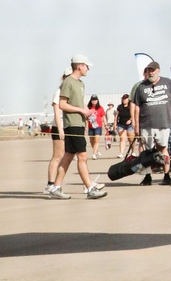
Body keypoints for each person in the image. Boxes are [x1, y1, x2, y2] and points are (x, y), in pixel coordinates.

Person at [48, 55, 106, 199]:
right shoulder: (68, 82)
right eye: (87, 66)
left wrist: (87, 112)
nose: (88, 68)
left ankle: (56, 186)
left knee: (68, 156)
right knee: (83, 156)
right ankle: (90, 188)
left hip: (79, 123)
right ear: (79, 66)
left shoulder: (80, 84)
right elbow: (62, 104)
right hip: (72, 124)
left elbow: (78, 104)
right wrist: (81, 110)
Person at [132, 62, 171, 186]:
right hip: (146, 124)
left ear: (158, 70)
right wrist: (137, 125)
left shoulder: (167, 82)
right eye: (149, 70)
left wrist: (170, 109)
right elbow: (137, 107)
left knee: (163, 148)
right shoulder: (141, 87)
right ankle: (147, 176)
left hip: (163, 123)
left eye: (153, 70)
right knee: (146, 151)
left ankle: (166, 175)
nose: (151, 72)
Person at [45, 69, 70, 191]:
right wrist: (60, 129)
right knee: (57, 156)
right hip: (58, 127)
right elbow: (57, 112)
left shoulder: (70, 92)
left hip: (69, 126)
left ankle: (57, 183)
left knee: (70, 155)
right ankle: (50, 184)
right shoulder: (59, 92)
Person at [115, 93, 136, 157]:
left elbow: (134, 114)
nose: (124, 100)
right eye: (123, 98)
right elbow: (116, 116)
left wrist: (130, 120)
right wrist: (115, 124)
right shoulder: (119, 107)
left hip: (130, 125)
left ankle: (133, 151)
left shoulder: (131, 106)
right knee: (122, 139)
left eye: (125, 98)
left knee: (131, 139)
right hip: (121, 124)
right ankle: (121, 153)